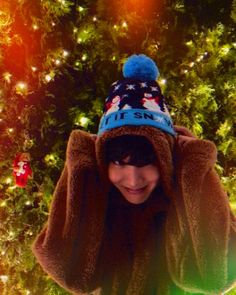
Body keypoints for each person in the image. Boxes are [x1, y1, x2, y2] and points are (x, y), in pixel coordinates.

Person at [32, 54, 236, 295]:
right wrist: (79, 166)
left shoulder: (179, 200)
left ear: (166, 157)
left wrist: (193, 170)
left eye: (147, 162)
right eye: (118, 162)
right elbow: (69, 271)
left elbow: (216, 277)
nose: (133, 180)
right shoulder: (99, 202)